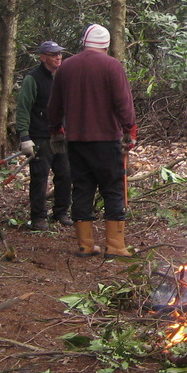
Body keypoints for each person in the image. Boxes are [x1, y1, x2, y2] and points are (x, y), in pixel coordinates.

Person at [47, 23, 138, 258]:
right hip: (106, 140)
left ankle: (85, 245)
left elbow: (54, 104)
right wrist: (130, 128)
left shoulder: (66, 67)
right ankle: (116, 245)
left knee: (82, 189)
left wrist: (56, 130)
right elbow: (123, 102)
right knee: (113, 189)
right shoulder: (111, 66)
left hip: (76, 141)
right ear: (105, 45)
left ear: (85, 43)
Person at [15, 40, 72, 231]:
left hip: (61, 135)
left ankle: (61, 212)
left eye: (59, 54)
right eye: (53, 54)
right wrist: (24, 137)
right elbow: (23, 109)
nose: (58, 57)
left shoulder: (64, 76)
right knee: (40, 177)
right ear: (43, 57)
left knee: (65, 174)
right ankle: (39, 217)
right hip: (40, 136)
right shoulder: (33, 79)